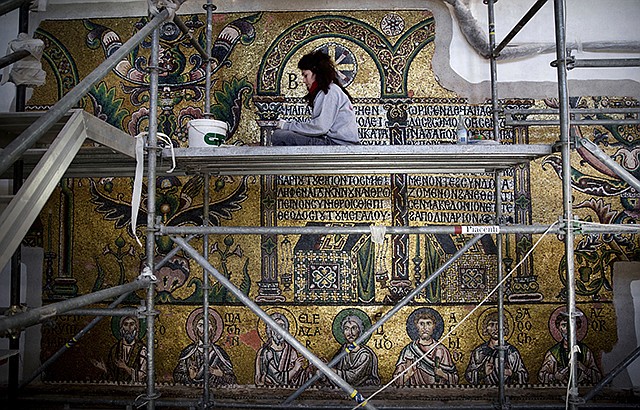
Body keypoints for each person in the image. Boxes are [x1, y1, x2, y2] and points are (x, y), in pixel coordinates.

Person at [271, 50, 359, 146]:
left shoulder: (329, 91)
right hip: (338, 142)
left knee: (279, 135)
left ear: (316, 72)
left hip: (336, 144)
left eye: (305, 75)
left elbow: (320, 127)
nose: (304, 81)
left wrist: (286, 125)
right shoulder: (331, 90)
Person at [393, 308, 458, 386]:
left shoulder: (441, 350)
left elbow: (455, 378)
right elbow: (395, 381)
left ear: (434, 326)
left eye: (428, 323)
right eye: (421, 323)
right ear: (416, 326)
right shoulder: (409, 351)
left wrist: (443, 375)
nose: (425, 327)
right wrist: (408, 375)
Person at [173, 310, 237, 387]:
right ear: (195, 329)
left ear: (213, 328)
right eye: (200, 325)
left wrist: (220, 374)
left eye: (208, 324)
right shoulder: (189, 353)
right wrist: (190, 377)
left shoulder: (219, 354)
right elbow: (177, 376)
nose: (204, 329)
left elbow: (232, 379)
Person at [465, 312, 528, 385]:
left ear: (504, 327)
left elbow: (524, 376)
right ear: (486, 328)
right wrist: (483, 373)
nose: (496, 328)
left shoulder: (511, 352)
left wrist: (511, 374)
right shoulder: (479, 352)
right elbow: (468, 376)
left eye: (499, 324)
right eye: (491, 325)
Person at [538, 312, 601, 384]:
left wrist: (584, 368)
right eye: (564, 325)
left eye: (571, 325)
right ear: (559, 328)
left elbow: (598, 377)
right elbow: (541, 376)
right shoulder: (553, 353)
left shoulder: (585, 352)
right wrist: (555, 377)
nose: (568, 329)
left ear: (577, 327)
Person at [255, 312, 310, 386]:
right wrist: (294, 369)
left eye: (282, 327)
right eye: (277, 327)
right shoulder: (265, 353)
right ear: (270, 330)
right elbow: (276, 379)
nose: (279, 331)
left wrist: (309, 370)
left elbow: (297, 379)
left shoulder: (291, 351)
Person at [330, 314, 380, 386]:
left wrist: (330, 371)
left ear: (359, 330)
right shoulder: (342, 350)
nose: (350, 333)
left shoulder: (365, 355)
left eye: (354, 328)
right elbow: (334, 366)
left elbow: (353, 378)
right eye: (346, 329)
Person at [106, 315, 147, 383]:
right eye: (125, 324)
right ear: (121, 328)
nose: (129, 328)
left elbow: (143, 375)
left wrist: (126, 368)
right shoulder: (114, 349)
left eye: (132, 324)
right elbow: (111, 375)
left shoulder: (142, 349)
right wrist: (104, 369)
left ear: (136, 327)